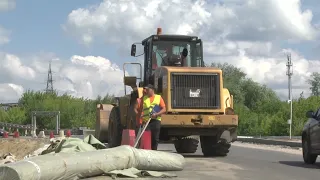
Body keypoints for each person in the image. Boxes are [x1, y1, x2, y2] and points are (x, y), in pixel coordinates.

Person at [139, 84, 166, 150]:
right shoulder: (144, 98)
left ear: (152, 90)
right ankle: (146, 153)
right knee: (146, 137)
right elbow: (140, 109)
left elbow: (164, 109)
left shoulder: (158, 97)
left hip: (156, 121)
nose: (146, 91)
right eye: (146, 89)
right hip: (146, 121)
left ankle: (154, 152)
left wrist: (157, 114)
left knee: (155, 138)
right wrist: (141, 118)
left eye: (148, 89)